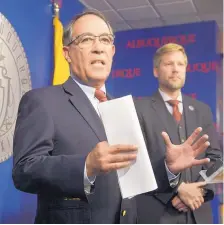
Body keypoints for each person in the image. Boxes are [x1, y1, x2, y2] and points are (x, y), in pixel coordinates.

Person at [12, 11, 211, 224]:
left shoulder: (124, 108)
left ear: (112, 51)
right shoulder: (42, 101)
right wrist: (86, 166)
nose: (98, 47)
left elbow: (133, 180)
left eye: (105, 40)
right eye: (86, 39)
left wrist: (168, 169)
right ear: (67, 53)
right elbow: (25, 171)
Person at [134, 43, 222, 224]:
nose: (175, 69)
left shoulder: (202, 110)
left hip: (199, 213)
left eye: (180, 64)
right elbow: (137, 164)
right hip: (159, 214)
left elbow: (215, 158)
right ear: (156, 71)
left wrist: (199, 190)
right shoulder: (139, 109)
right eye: (168, 64)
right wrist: (178, 189)